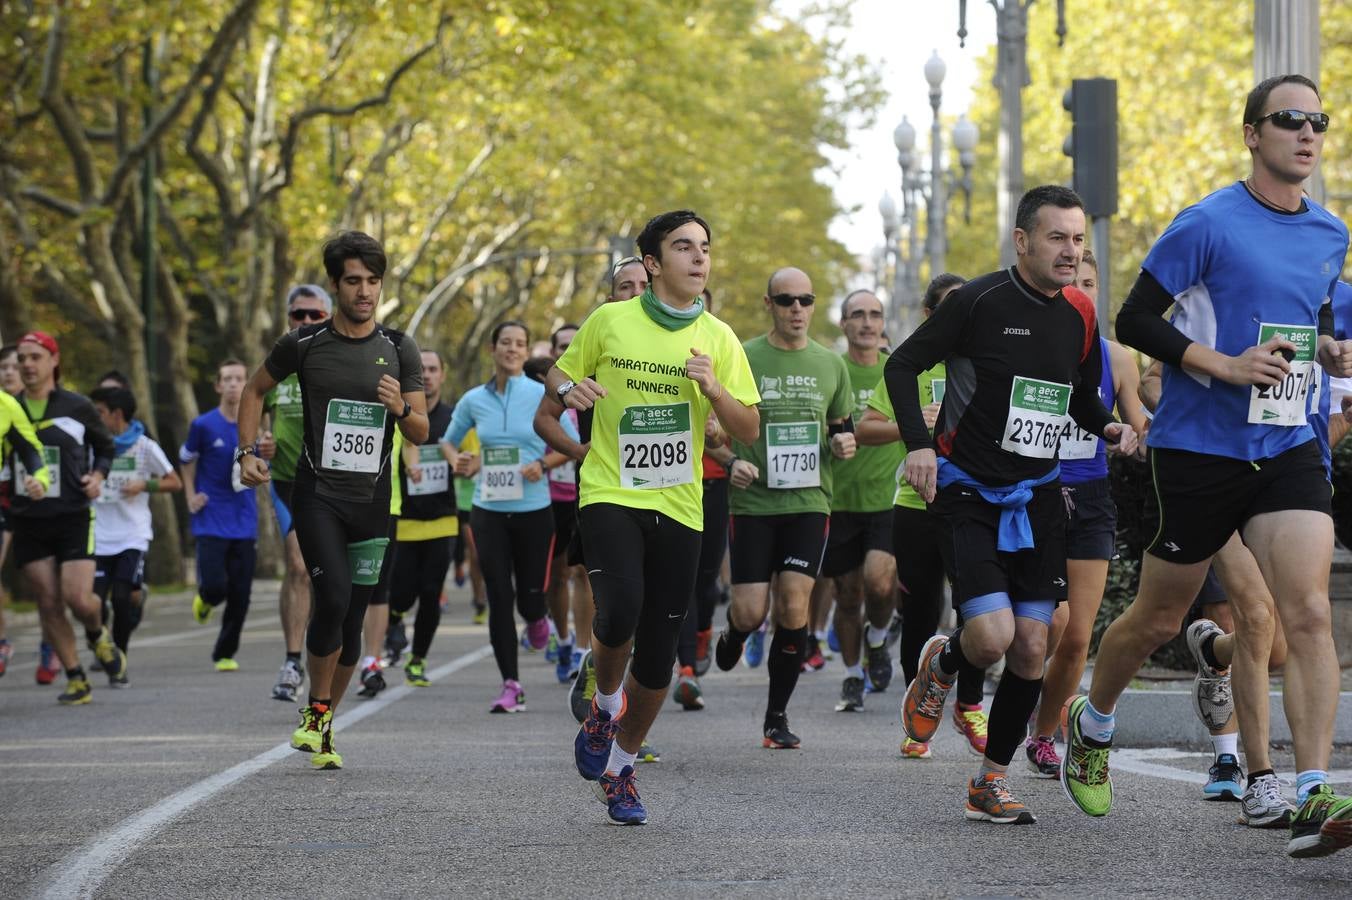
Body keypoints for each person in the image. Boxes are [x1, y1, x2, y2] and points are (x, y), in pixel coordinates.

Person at [1066, 74, 1352, 858]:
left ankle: (1311, 790)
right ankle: (1092, 724)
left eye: (1317, 120)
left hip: (1285, 443)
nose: (1307, 132)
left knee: (1310, 614)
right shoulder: (1206, 223)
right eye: (1288, 119)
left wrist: (1327, 348)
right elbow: (1132, 317)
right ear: (1253, 134)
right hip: (1198, 450)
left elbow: (1312, 310)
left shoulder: (1330, 233)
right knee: (1157, 618)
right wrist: (1222, 366)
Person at [889, 185, 1134, 824]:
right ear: (1022, 241)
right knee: (992, 639)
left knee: (1033, 645)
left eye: (1078, 239)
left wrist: (1107, 425)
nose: (1070, 250)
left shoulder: (1079, 311)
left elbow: (1077, 392)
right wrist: (919, 445)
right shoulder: (977, 301)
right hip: (968, 490)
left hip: (1042, 493)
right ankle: (943, 664)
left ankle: (988, 782)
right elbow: (902, 366)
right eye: (1057, 238)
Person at [548, 210, 758, 824]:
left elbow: (747, 429)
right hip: (611, 491)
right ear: (651, 263)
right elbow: (560, 374)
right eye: (683, 247)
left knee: (661, 654)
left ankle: (620, 769)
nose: (698, 258)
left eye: (705, 248)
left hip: (678, 503)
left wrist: (715, 390)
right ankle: (604, 703)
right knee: (618, 611)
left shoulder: (719, 337)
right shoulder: (611, 320)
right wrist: (568, 392)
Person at [238, 230, 427, 770]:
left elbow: (420, 430)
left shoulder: (398, 348)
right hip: (318, 494)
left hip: (373, 501)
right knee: (335, 596)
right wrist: (247, 452)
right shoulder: (303, 344)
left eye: (372, 281)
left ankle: (320, 719)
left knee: (351, 620)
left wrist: (397, 408)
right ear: (335, 285)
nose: (364, 291)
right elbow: (254, 391)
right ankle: (316, 712)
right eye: (353, 281)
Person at [713, 265, 855, 749]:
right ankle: (735, 632)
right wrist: (730, 460)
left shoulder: (830, 363)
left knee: (794, 604)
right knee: (752, 611)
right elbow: (708, 430)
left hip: (809, 501)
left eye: (806, 300)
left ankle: (776, 717)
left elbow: (842, 426)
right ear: (769, 304)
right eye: (787, 300)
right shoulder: (743, 357)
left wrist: (843, 445)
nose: (797, 309)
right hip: (753, 502)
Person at [1023, 249, 1147, 776]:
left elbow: (1136, 417)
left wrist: (1139, 435)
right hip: (1036, 494)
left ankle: (1042, 736)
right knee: (1048, 623)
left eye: (1091, 284)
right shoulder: (1032, 345)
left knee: (1077, 636)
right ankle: (1019, 690)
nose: (1082, 293)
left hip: (1092, 498)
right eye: (1075, 282)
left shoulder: (1119, 358)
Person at [858, 273, 990, 758]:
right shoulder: (911, 364)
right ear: (931, 316)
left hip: (974, 503)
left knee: (976, 607)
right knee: (919, 608)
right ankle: (919, 713)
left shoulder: (987, 360)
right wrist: (911, 427)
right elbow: (866, 427)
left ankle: (971, 704)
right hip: (915, 506)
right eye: (951, 306)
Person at [442, 321, 569, 712]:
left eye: (520, 344)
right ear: (493, 349)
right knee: (499, 597)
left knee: (532, 600)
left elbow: (570, 445)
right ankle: (511, 684)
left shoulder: (541, 393)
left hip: (534, 511)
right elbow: (447, 441)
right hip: (488, 511)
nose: (512, 350)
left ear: (527, 350)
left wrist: (544, 465)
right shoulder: (473, 400)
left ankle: (536, 621)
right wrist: (458, 460)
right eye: (505, 343)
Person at [9, 331, 124, 704]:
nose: (27, 364)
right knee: (47, 601)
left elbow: (106, 447)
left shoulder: (76, 406)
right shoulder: (8, 408)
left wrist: (98, 476)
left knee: (79, 599)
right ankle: (76, 676)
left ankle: (97, 632)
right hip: (27, 516)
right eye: (22, 358)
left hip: (73, 514)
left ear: (53, 361)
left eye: (35, 357)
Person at [817, 288, 902, 713]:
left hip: (887, 498)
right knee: (847, 595)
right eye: (858, 315)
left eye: (875, 314)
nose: (867, 323)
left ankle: (878, 636)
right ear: (844, 324)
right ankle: (852, 675)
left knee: (880, 581)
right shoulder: (832, 371)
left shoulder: (900, 371)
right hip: (838, 500)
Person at [262, 284, 332, 702]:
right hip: (290, 482)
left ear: (327, 316)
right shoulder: (279, 364)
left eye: (313, 315)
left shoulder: (342, 361)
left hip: (337, 484)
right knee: (297, 565)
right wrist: (255, 446)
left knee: (330, 579)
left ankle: (329, 649)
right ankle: (292, 661)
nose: (305, 323)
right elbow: (252, 407)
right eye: (297, 316)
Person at [89, 385, 181, 671]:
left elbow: (174, 482)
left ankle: (119, 658)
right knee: (93, 603)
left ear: (117, 415)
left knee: (120, 597)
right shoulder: (90, 444)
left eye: (100, 412)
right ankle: (103, 648)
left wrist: (145, 484)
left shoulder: (144, 446)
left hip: (132, 534)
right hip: (98, 533)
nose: (95, 417)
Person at [384, 350, 459, 686]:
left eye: (433, 369)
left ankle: (417, 659)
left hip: (443, 521)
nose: (426, 375)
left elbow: (472, 456)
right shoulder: (399, 414)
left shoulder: (454, 417)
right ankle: (395, 619)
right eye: (421, 370)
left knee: (431, 593)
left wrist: (467, 463)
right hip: (404, 521)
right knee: (400, 594)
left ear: (442, 375)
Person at [182, 359, 260, 672]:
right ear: (218, 385)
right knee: (215, 586)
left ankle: (225, 653)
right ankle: (206, 599)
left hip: (244, 519)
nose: (232, 384)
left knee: (241, 595)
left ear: (247, 385)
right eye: (226, 379)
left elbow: (265, 461)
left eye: (239, 379)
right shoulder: (202, 425)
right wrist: (190, 494)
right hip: (211, 518)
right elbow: (186, 459)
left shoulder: (255, 424)